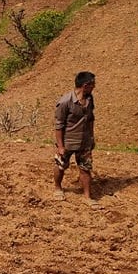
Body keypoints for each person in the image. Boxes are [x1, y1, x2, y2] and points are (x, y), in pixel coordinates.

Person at [53, 71, 96, 200]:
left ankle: (87, 197)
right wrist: (60, 146)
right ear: (85, 85)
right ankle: (57, 188)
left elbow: (90, 119)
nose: (94, 87)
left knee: (85, 168)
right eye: (93, 84)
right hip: (68, 141)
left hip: (84, 141)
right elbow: (59, 125)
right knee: (61, 165)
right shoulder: (65, 102)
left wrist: (91, 137)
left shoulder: (89, 99)